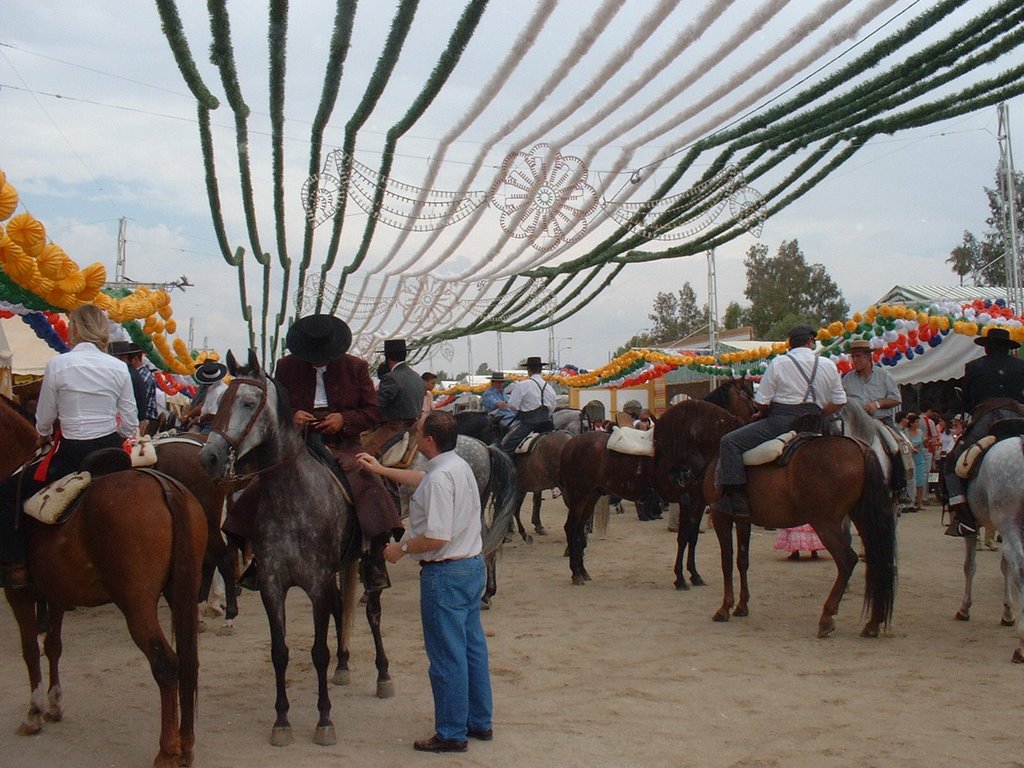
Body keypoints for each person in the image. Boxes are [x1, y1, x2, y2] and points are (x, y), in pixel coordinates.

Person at [356, 411, 493, 753]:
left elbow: (435, 538)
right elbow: (421, 476)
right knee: (472, 648)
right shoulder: (456, 465)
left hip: (444, 573)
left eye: (418, 434)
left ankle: (450, 731)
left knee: (447, 656)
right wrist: (380, 469)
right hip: (472, 566)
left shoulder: (439, 478)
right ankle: (479, 721)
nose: (415, 438)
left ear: (429, 441)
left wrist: (399, 549)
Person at [0, 304, 139, 588]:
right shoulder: (119, 367)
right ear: (102, 330)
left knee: (6, 494)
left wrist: (42, 434)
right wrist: (118, 434)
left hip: (71, 452)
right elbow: (129, 422)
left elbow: (45, 417)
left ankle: (16, 565)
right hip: (111, 451)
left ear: (73, 329)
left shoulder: (58, 364)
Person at [273, 314, 403, 589]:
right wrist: (291, 415)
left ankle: (373, 558)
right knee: (262, 485)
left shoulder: (355, 367)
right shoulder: (285, 367)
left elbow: (373, 411)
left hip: (342, 443)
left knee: (369, 481)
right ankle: (257, 556)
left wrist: (344, 420)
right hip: (297, 443)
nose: (318, 360)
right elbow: (274, 405)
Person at [712, 324, 847, 517]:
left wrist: (763, 412)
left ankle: (736, 500)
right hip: (817, 423)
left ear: (790, 343)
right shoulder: (827, 364)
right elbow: (840, 401)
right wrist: (819, 412)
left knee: (729, 442)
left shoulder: (779, 363)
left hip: (782, 422)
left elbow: (761, 402)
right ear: (811, 342)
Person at [943, 327, 1024, 537]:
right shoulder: (1021, 366)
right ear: (1008, 349)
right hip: (1018, 418)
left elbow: (968, 403)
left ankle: (964, 517)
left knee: (953, 462)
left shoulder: (974, 367)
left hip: (986, 419)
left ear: (986, 348)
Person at [361, 339, 425, 456]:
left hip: (394, 428)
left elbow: (377, 404)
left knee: (363, 456)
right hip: (414, 427)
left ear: (387, 358)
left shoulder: (391, 377)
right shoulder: (417, 377)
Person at [499, 356, 556, 456]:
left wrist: (521, 410)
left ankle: (510, 470)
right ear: (540, 370)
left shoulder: (523, 385)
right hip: (547, 423)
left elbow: (512, 405)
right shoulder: (549, 387)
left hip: (529, 423)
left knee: (506, 447)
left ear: (528, 370)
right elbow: (552, 407)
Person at [841, 339, 901, 425]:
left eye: (858, 356)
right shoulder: (847, 379)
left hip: (882, 421)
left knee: (898, 438)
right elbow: (841, 402)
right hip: (856, 423)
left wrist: (877, 404)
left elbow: (896, 399)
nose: (854, 360)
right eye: (853, 356)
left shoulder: (883, 375)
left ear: (869, 356)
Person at [109, 340, 156, 429]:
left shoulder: (128, 375)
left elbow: (128, 407)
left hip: (135, 422)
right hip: (139, 419)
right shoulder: (133, 373)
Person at [903, 412, 928, 510]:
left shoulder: (920, 432)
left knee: (920, 481)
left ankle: (919, 502)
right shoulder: (906, 432)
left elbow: (924, 444)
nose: (918, 424)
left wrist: (925, 443)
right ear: (911, 423)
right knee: (910, 481)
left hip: (920, 458)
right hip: (910, 459)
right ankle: (911, 501)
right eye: (916, 422)